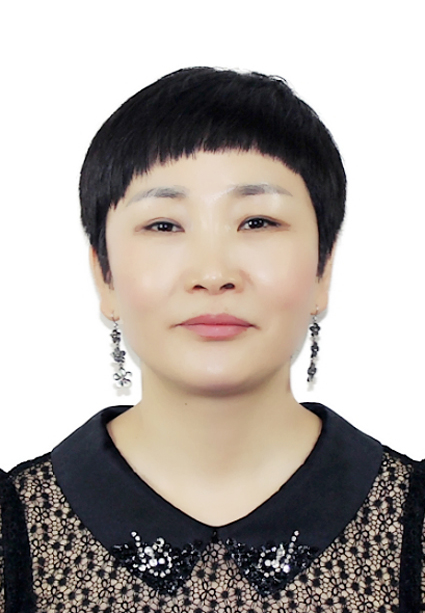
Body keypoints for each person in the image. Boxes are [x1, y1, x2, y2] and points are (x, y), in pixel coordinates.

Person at [0, 67, 424, 613]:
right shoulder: (14, 528)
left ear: (323, 269)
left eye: (257, 222)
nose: (213, 273)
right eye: (164, 225)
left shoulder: (411, 520)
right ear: (104, 275)